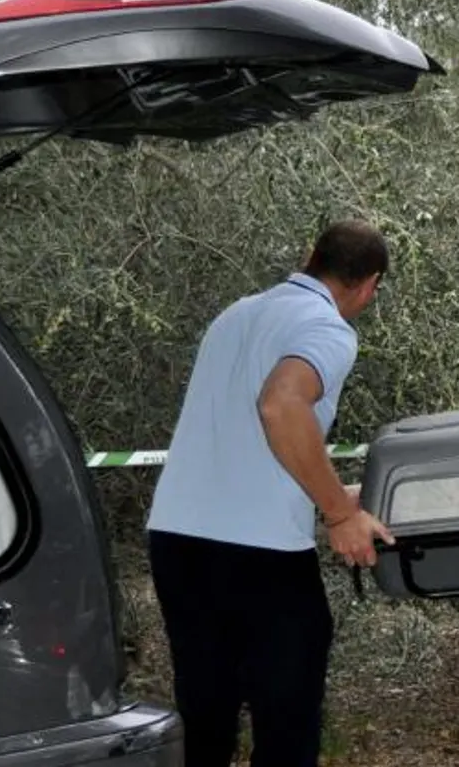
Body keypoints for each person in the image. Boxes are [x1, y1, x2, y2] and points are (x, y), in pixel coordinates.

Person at [145, 219, 396, 767]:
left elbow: (243, 443)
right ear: (369, 284)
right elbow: (281, 405)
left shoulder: (236, 314)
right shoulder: (328, 328)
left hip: (177, 538)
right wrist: (337, 515)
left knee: (206, 716)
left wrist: (339, 494)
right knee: (287, 720)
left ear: (310, 254)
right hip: (257, 553)